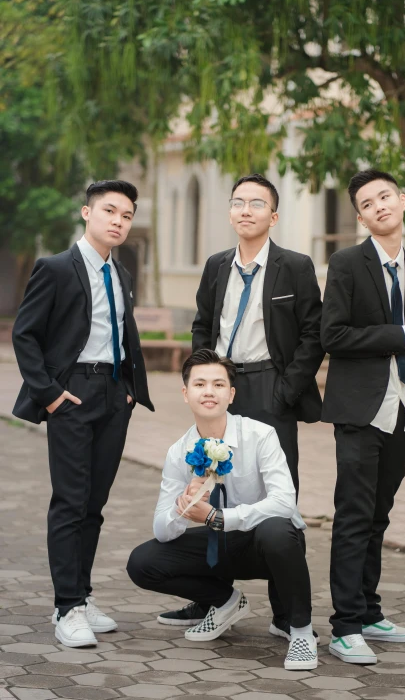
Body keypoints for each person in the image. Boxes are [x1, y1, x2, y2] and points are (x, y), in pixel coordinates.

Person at [158, 173, 324, 640]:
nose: (245, 210)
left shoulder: (295, 266)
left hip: (271, 384)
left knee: (277, 498)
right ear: (230, 212)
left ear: (273, 216)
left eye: (256, 203)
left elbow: (313, 334)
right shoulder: (216, 265)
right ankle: (212, 597)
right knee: (209, 484)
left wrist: (287, 390)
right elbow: (202, 323)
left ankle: (286, 614)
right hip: (221, 383)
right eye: (237, 202)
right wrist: (202, 376)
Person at [12, 180, 154, 648]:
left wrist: (130, 390)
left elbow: (124, 334)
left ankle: (83, 595)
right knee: (70, 503)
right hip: (72, 394)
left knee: (94, 504)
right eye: (110, 211)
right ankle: (66, 607)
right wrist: (51, 394)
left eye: (126, 215)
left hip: (114, 395)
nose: (118, 220)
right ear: (86, 213)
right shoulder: (55, 268)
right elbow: (25, 336)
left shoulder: (122, 274)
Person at [127, 349, 318, 671]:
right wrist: (181, 508)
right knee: (143, 562)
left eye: (218, 384)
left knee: (278, 529)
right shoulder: (179, 451)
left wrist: (218, 517)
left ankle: (301, 633)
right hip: (219, 545)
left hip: (264, 544)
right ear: (186, 393)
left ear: (231, 393)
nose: (209, 391)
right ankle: (225, 601)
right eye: (200, 384)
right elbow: (161, 529)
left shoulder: (260, 435)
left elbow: (285, 502)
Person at [321, 169, 405, 664]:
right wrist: (396, 336)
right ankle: (344, 626)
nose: (378, 206)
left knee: (378, 516)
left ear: (403, 201)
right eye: (367, 203)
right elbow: (333, 336)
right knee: (353, 515)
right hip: (359, 409)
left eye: (385, 196)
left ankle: (369, 612)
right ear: (361, 216)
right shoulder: (346, 264)